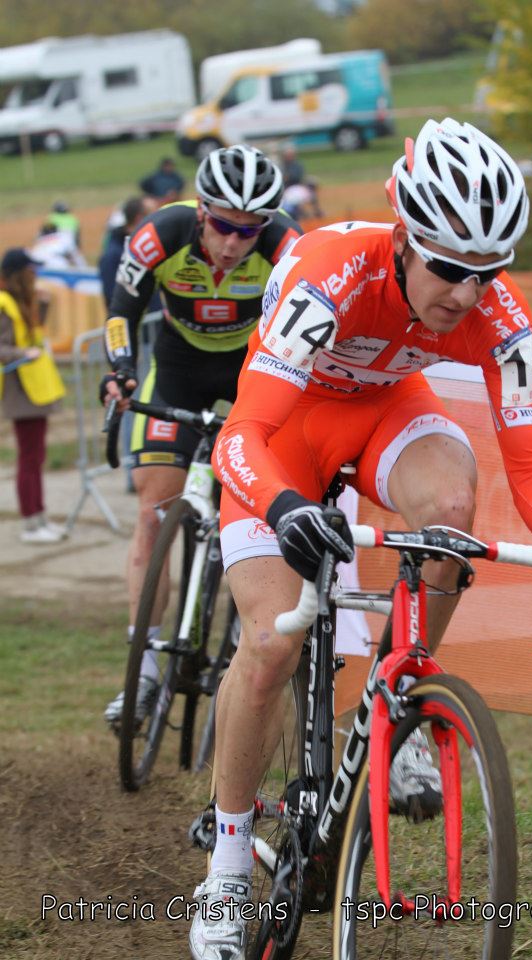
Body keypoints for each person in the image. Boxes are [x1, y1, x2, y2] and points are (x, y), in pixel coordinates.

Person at [188, 117, 532, 960]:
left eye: (487, 271)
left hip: (386, 413)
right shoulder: (330, 273)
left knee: (453, 504)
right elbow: (241, 433)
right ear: (405, 236)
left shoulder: (502, 316)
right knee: (269, 644)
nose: (466, 294)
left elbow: (530, 464)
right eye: (450, 269)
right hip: (281, 432)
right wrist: (284, 508)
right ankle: (229, 865)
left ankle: (401, 700)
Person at [100, 145, 303, 730]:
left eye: (250, 229)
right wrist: (118, 368)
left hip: (253, 372)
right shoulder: (159, 233)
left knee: (262, 514)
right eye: (222, 225)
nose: (235, 241)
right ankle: (141, 671)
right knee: (153, 510)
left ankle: (245, 635)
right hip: (178, 369)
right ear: (200, 211)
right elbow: (121, 310)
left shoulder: (286, 248)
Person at [0, 248, 67, 544]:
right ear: (18, 274)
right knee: (29, 459)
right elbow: (5, 347)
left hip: (35, 389)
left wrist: (42, 306)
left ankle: (39, 516)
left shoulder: (20, 301)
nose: (35, 275)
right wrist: (22, 354)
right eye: (31, 270)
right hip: (20, 391)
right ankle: (31, 523)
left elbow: (34, 332)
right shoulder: (4, 304)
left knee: (35, 457)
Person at [98, 196, 155, 308]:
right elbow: (112, 296)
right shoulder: (113, 255)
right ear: (139, 218)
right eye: (152, 215)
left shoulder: (148, 248)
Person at [280, 142, 322, 219]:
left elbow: (298, 177)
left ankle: (317, 212)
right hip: (288, 189)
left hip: (298, 187)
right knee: (293, 199)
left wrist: (289, 177)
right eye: (288, 154)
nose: (290, 156)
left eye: (291, 154)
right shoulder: (282, 166)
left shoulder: (298, 165)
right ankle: (301, 214)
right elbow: (283, 180)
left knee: (310, 187)